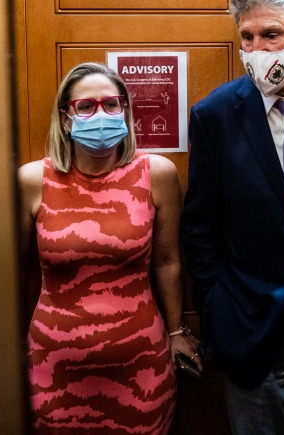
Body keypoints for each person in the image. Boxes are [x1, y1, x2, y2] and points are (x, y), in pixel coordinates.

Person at [18, 62, 202, 434]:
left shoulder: (158, 173)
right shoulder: (33, 180)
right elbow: (8, 272)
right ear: (66, 119)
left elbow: (167, 262)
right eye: (86, 106)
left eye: (111, 104)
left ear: (126, 112)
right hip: (53, 368)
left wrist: (177, 331)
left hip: (140, 366)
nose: (100, 114)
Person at [181, 0, 284, 434]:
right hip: (255, 328)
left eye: (272, 35)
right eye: (247, 36)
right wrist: (216, 312)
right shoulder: (216, 116)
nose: (257, 49)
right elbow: (200, 228)